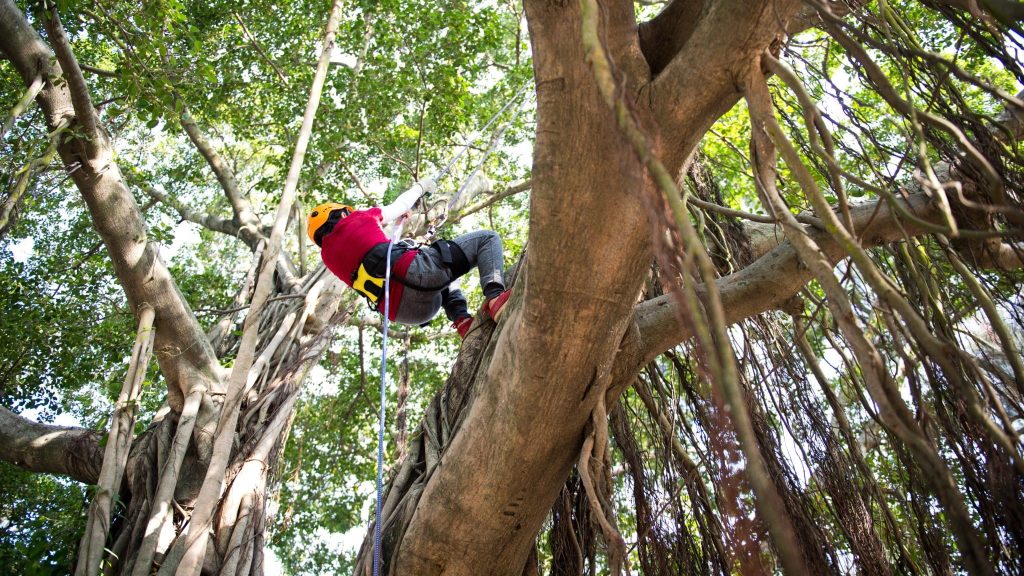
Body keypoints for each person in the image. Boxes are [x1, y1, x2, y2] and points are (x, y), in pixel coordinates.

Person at [307, 179, 510, 338]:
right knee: (486, 239)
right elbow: (400, 204)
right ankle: (495, 298)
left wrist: (398, 227)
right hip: (416, 276)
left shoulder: (329, 258)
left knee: (447, 276)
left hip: (405, 313)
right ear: (341, 214)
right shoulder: (358, 217)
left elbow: (381, 257)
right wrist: (421, 187)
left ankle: (463, 322)